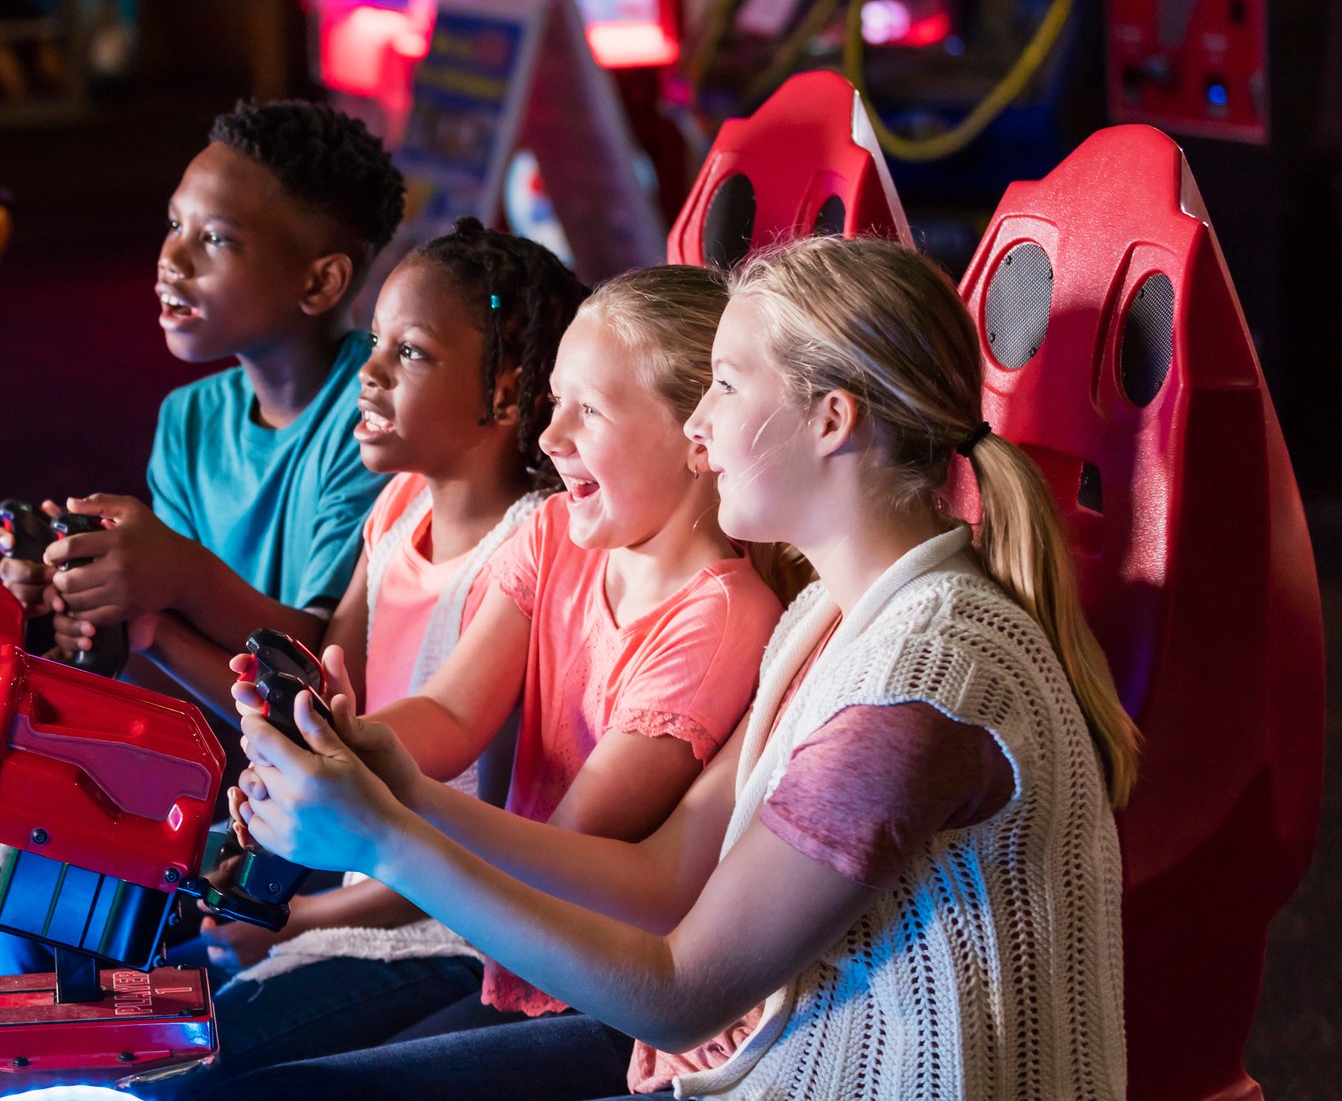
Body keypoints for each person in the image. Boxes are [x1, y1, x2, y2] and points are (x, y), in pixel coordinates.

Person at [227, 236, 1138, 1100]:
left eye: (728, 387)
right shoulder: (829, 615)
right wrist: (400, 790)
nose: (700, 426)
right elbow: (666, 877)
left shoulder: (919, 683)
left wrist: (385, 838)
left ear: (832, 420)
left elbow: (679, 988)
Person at [204, 263, 782, 1090]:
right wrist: (332, 738)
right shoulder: (554, 534)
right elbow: (449, 711)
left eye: (590, 410)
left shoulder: (719, 618)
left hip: (592, 984)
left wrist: (368, 810)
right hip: (500, 944)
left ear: (699, 436)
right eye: (555, 402)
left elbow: (572, 846)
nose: (550, 439)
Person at [176, 221, 581, 1076]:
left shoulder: (533, 544)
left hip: (447, 918)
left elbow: (477, 831)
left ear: (506, 389)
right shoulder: (397, 508)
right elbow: (326, 678)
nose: (369, 371)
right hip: (349, 873)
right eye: (376, 342)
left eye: (413, 352)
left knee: (210, 1056)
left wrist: (301, 919)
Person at [0, 99, 405, 714]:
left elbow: (320, 668)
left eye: (214, 238)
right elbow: (179, 669)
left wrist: (177, 577)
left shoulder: (376, 416)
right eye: (173, 224)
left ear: (320, 283)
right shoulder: (189, 420)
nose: (172, 260)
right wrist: (87, 596)